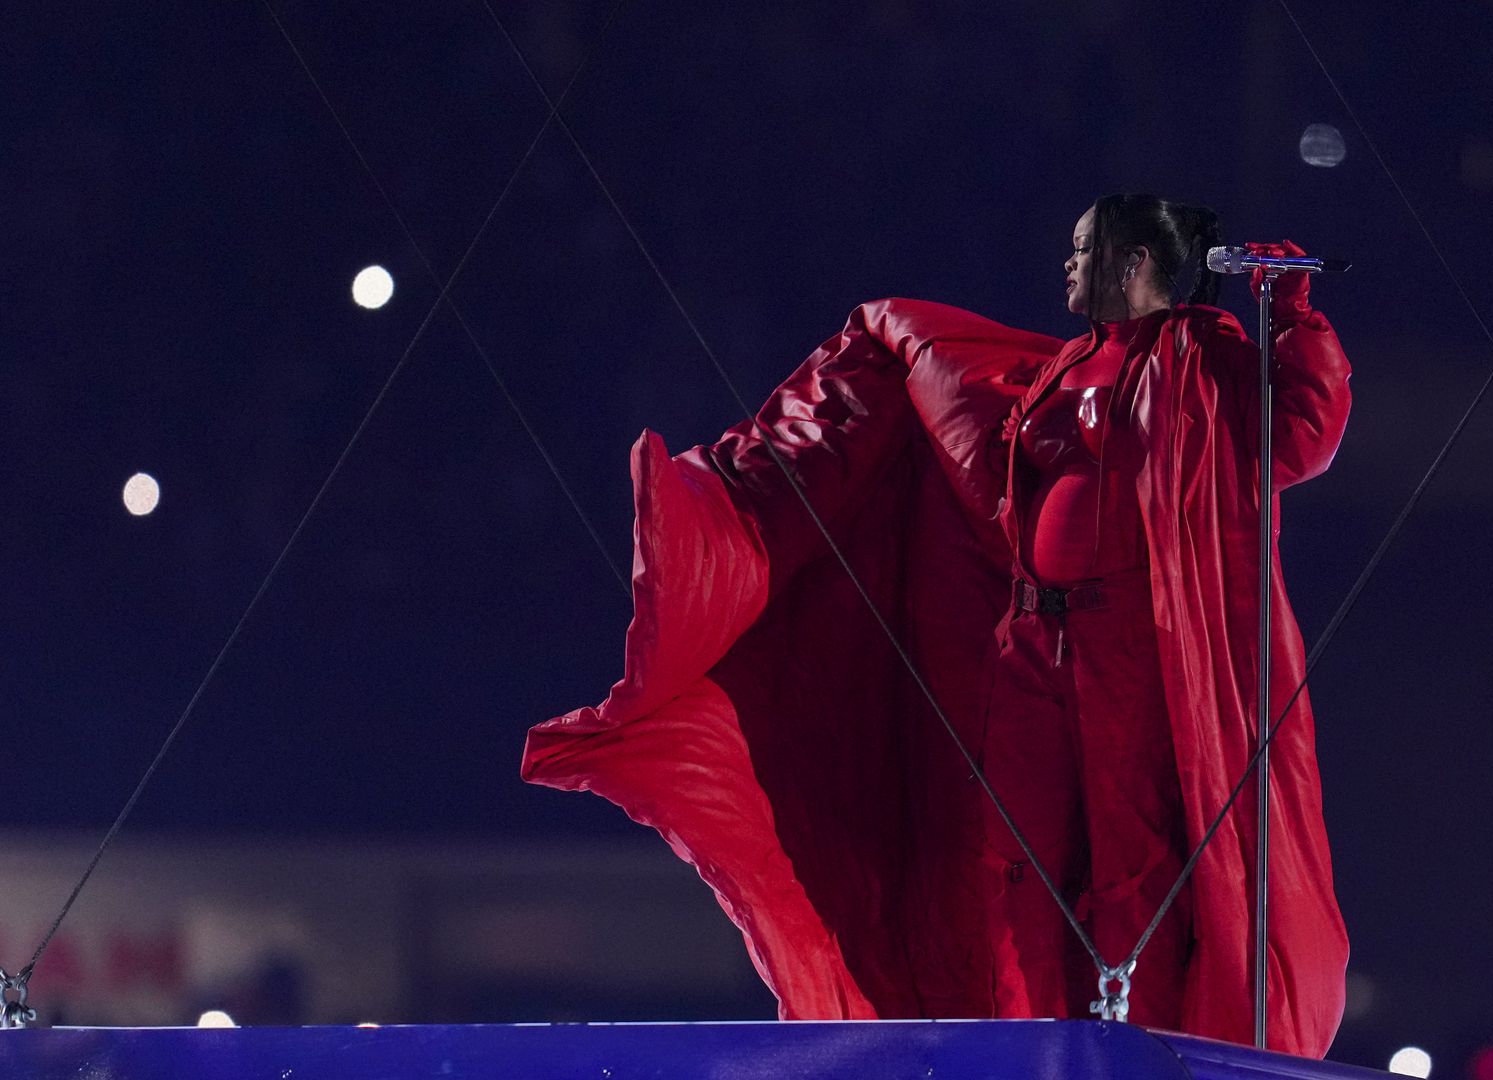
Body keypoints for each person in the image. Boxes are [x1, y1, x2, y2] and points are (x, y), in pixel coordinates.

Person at [521, 193, 1351, 1056]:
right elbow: (973, 434)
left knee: (1132, 854)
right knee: (1024, 857)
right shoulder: (1062, 369)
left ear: (1134, 262)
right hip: (1037, 647)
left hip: (1133, 654)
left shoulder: (1200, 356)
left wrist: (1293, 323)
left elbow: (1297, 440)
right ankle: (1035, 1038)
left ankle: (1135, 1041)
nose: (1066, 264)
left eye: (1082, 248)